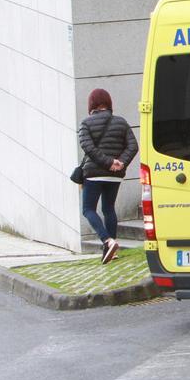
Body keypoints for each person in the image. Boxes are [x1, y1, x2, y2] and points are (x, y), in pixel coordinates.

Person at [78, 88, 137, 264]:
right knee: (109, 208)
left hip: (94, 174)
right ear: (109, 104)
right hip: (114, 175)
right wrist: (120, 163)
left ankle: (107, 240)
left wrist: (107, 162)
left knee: (88, 209)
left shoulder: (86, 124)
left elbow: (88, 147)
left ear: (91, 105)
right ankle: (111, 251)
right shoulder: (122, 123)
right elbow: (133, 147)